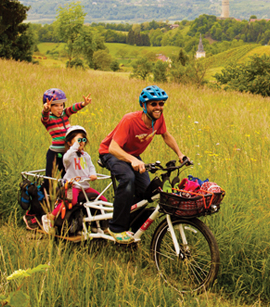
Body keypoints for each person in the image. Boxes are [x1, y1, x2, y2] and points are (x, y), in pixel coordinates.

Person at [98, 85, 188, 243]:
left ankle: (132, 226)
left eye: (161, 104)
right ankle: (116, 228)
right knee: (127, 179)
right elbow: (113, 147)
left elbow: (166, 135)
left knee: (147, 191)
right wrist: (132, 160)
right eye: (154, 104)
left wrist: (180, 154)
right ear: (144, 105)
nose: (158, 107)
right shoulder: (130, 120)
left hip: (132, 155)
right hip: (111, 153)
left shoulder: (158, 119)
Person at [40, 88, 92, 182]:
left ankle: (66, 194)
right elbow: (44, 117)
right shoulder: (49, 119)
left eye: (61, 105)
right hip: (54, 153)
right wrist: (46, 110)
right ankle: (47, 193)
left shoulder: (65, 114)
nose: (59, 108)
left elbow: (72, 108)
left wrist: (83, 104)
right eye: (56, 105)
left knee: (68, 175)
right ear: (49, 106)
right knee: (49, 177)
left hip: (67, 152)